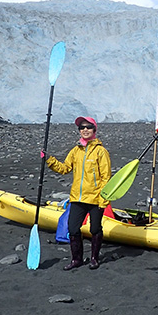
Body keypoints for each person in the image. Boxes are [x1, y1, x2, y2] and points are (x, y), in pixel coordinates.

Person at [46, 116, 111, 270]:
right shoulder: (76, 151)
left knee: (95, 229)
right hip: (77, 198)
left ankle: (94, 258)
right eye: (82, 128)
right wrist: (49, 160)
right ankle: (77, 259)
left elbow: (106, 177)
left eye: (88, 127)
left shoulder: (101, 152)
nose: (85, 130)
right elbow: (64, 168)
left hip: (95, 199)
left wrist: (103, 200)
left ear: (94, 130)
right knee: (73, 229)